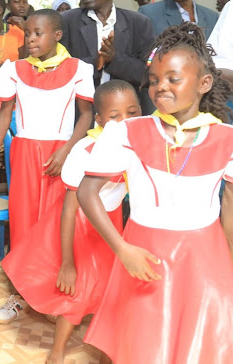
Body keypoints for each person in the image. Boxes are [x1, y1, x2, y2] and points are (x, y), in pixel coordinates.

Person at [77, 22, 233, 363]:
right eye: (154, 80)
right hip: (144, 257)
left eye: (173, 79)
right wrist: (122, 249)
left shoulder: (226, 139)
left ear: (204, 83)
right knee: (143, 345)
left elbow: (230, 209)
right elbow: (86, 193)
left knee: (200, 345)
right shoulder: (126, 132)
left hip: (205, 262)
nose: (160, 87)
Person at [2, 80, 140, 364]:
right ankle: (57, 353)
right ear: (99, 119)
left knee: (109, 290)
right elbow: (70, 209)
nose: (124, 121)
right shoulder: (86, 151)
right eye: (115, 116)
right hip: (79, 225)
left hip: (111, 225)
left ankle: (109, 353)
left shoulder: (140, 145)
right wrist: (68, 263)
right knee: (77, 291)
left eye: (132, 112)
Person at [0, 9, 94, 325]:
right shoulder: (13, 69)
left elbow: (86, 115)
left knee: (58, 224)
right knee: (25, 223)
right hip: (25, 154)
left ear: (57, 35)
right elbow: (4, 116)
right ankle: (21, 296)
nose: (30, 39)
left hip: (62, 154)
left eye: (37, 33)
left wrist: (66, 151)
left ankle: (55, 293)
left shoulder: (79, 69)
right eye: (27, 33)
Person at [60, 0, 155, 101]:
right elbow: (59, 69)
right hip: (82, 112)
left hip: (125, 110)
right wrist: (95, 61)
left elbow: (148, 74)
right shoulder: (67, 21)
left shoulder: (138, 23)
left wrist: (114, 59)